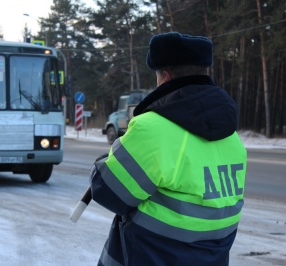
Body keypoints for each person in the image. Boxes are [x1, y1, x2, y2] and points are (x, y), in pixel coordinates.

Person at [89, 32, 247, 266]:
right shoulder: (232, 137)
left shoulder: (152, 128)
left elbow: (109, 191)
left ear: (164, 76)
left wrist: (108, 159)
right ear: (204, 72)